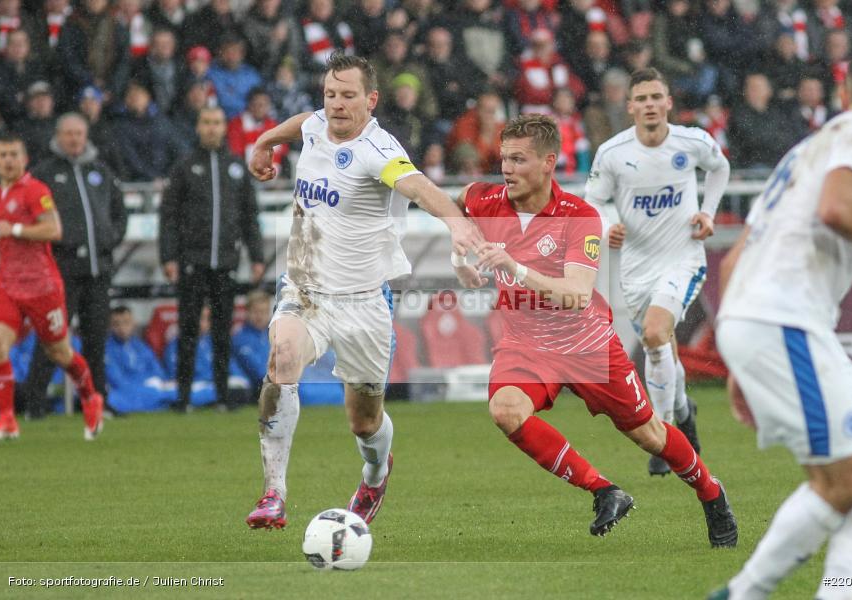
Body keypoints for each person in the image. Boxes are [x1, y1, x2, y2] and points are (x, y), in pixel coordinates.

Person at [450, 113, 736, 546]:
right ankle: (604, 490)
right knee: (506, 410)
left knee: (650, 435)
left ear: (549, 162)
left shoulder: (578, 216)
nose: (506, 168)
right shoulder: (486, 200)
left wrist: (515, 267)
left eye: (519, 159)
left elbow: (577, 294)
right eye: (505, 158)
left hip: (588, 347)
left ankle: (711, 494)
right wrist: (460, 252)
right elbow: (454, 204)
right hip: (526, 345)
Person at [243, 52, 481, 529]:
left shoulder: (378, 150)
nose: (336, 104)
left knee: (364, 422)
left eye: (348, 95)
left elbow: (418, 187)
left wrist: (456, 224)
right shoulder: (315, 125)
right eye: (331, 94)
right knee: (281, 360)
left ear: (370, 100)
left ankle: (375, 473)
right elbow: (301, 124)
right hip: (306, 290)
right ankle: (273, 493)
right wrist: (265, 141)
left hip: (363, 302)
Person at [709, 48, 852, 600]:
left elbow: (741, 253)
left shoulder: (810, 148)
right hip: (780, 318)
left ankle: (838, 592)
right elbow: (837, 209)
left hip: (767, 318)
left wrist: (738, 353)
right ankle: (742, 594)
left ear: (844, 92)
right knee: (842, 485)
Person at [584, 67, 731, 476]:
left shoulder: (692, 141)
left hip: (683, 259)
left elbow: (719, 169)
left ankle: (664, 438)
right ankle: (684, 412)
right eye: (642, 99)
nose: (649, 105)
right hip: (635, 267)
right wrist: (607, 222)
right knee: (658, 344)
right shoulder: (613, 152)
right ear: (630, 107)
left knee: (653, 333)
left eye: (656, 97)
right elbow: (593, 200)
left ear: (668, 103)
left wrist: (708, 212)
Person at [0, 134, 104, 441]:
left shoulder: (35, 190)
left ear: (24, 158)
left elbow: (54, 229)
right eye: (2, 154)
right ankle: (7, 420)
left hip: (42, 287)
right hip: (6, 285)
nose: (8, 160)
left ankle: (90, 397)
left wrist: (14, 229)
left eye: (14, 154)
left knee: (60, 353)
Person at [20, 113, 127, 419]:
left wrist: (110, 239)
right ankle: (34, 404)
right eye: (69, 133)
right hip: (61, 272)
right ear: (58, 136)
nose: (75, 139)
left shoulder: (100, 172)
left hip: (98, 271)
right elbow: (32, 220)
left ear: (86, 135)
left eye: (79, 133)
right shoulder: (44, 175)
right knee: (51, 338)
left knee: (96, 340)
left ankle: (96, 401)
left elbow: (119, 213)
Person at [159, 105, 265, 413]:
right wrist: (168, 255)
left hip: (226, 262)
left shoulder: (235, 167)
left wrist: (256, 255)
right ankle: (183, 395)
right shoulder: (184, 167)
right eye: (206, 122)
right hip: (192, 260)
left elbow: (250, 216)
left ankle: (221, 395)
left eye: (216, 123)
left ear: (223, 127)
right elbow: (169, 216)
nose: (211, 128)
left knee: (222, 330)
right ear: (198, 126)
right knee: (189, 330)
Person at [105, 305, 176, 413]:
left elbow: (157, 371)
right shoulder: (107, 349)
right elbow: (118, 381)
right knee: (111, 399)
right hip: (128, 391)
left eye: (126, 322)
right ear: (110, 326)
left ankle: (160, 400)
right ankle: (162, 401)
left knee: (175, 388)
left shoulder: (140, 345)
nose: (122, 328)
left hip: (150, 388)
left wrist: (153, 382)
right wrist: (145, 384)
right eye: (116, 324)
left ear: (133, 323)